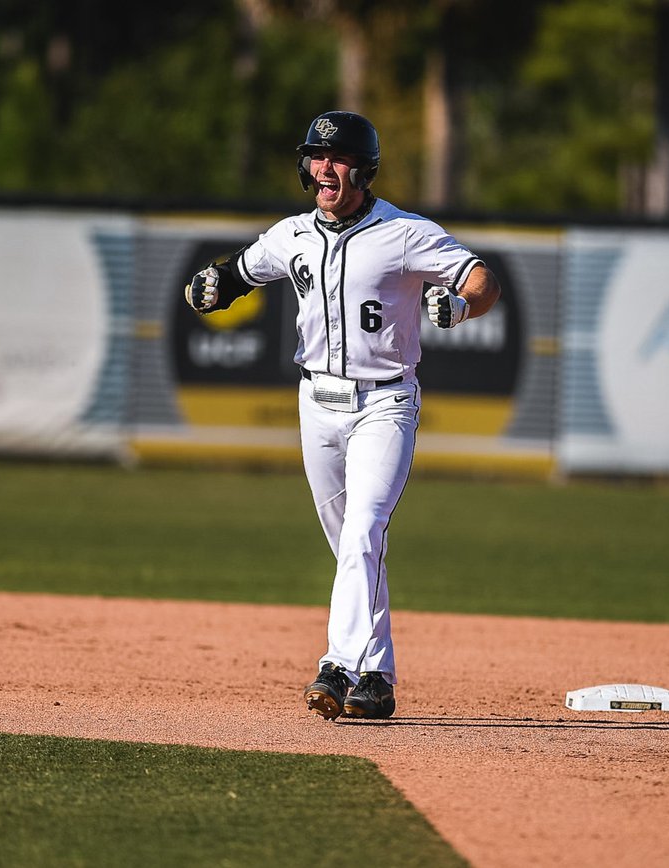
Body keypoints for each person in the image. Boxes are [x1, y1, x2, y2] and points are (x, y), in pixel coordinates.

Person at [184, 110, 501, 721]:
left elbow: (483, 279)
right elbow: (242, 272)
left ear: (364, 168)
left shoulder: (404, 232)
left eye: (337, 157)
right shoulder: (294, 233)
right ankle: (377, 679)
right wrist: (214, 286)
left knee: (362, 533)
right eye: (316, 156)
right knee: (353, 545)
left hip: (385, 400)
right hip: (317, 404)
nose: (324, 167)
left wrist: (460, 306)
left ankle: (338, 665)